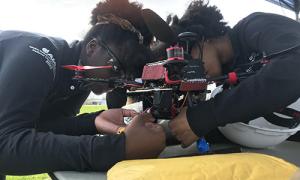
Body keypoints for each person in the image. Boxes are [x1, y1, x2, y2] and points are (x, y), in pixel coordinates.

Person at [0, 0, 166, 176]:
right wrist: (118, 148)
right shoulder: (37, 57)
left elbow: (43, 128)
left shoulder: (81, 79)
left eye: (125, 77)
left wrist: (94, 121)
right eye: (117, 68)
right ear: (92, 48)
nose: (117, 82)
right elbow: (5, 147)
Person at [168, 0, 300, 147]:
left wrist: (207, 115)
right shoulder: (229, 76)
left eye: (191, 59)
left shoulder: (253, 26)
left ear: (203, 38)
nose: (190, 72)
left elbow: (294, 70)